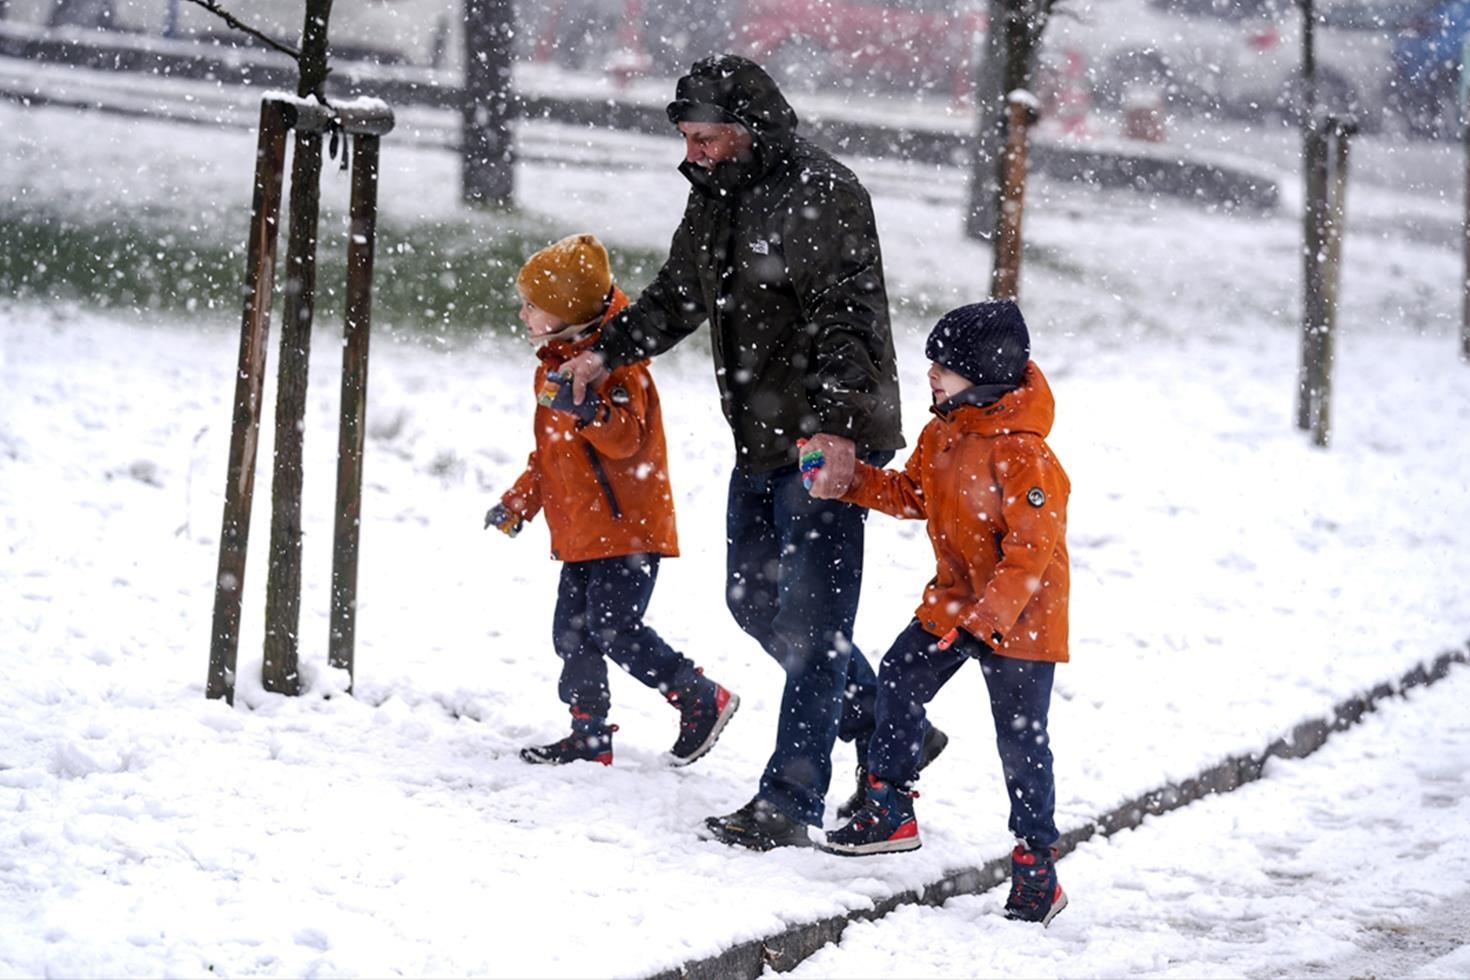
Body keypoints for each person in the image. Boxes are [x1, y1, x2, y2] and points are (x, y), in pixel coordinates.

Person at [559, 54, 945, 849]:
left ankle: (790, 801)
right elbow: (678, 293)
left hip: (821, 443)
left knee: (814, 626)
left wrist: (836, 431)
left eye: (705, 139)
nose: (692, 154)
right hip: (761, 436)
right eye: (688, 140)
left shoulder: (821, 195)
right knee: (754, 602)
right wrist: (607, 353)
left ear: (748, 131)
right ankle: (881, 720)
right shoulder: (716, 198)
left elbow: (850, 321)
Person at [814, 300, 1071, 927]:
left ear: (983, 374)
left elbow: (1030, 555)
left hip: (1021, 618)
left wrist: (988, 624)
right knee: (900, 672)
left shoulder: (1025, 456)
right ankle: (890, 806)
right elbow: (912, 494)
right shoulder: (944, 433)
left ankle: (1037, 866)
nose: (931, 372)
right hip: (957, 602)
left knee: (1021, 741)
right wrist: (847, 479)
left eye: (945, 365)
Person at [486, 233, 740, 768]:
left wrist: (587, 411)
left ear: (566, 312)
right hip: (582, 530)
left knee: (613, 628)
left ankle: (698, 695)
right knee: (571, 632)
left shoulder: (618, 368)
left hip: (627, 529)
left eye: (534, 305)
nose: (523, 313)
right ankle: (588, 732)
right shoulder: (554, 367)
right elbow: (552, 457)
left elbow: (626, 440)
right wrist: (518, 503)